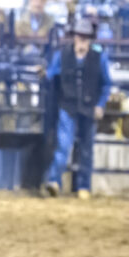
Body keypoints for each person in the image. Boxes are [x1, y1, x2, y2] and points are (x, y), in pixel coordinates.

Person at [43, 19, 111, 200]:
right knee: (64, 145)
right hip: (68, 106)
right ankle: (54, 181)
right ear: (74, 37)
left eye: (85, 37)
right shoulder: (62, 55)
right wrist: (45, 74)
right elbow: (51, 75)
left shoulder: (99, 57)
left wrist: (100, 104)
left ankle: (83, 185)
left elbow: (106, 84)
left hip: (89, 107)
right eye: (79, 36)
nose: (82, 40)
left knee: (86, 148)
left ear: (89, 39)